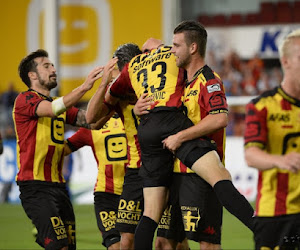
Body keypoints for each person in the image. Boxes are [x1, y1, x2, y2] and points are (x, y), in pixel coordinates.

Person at [88, 33, 254, 249]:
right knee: (133, 236)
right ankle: (263, 228)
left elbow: (92, 118)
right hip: (153, 154)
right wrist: (103, 88)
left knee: (165, 235)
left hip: (164, 158)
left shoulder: (138, 70)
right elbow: (92, 121)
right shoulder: (164, 65)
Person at [13, 49, 104, 250]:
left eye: (52, 65)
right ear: (32, 75)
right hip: (35, 186)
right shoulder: (25, 99)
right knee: (59, 246)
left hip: (59, 188)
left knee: (69, 247)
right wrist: (85, 86)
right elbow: (52, 110)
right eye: (46, 66)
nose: (53, 69)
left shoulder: (58, 104)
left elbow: (92, 120)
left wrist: (106, 89)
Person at [244, 29, 300, 249]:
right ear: (285, 61)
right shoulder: (262, 106)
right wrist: (280, 160)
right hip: (275, 216)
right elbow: (251, 155)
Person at [65, 113, 127, 250]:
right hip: (105, 194)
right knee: (114, 245)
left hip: (133, 194)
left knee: (131, 244)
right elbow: (64, 148)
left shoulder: (134, 117)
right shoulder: (93, 125)